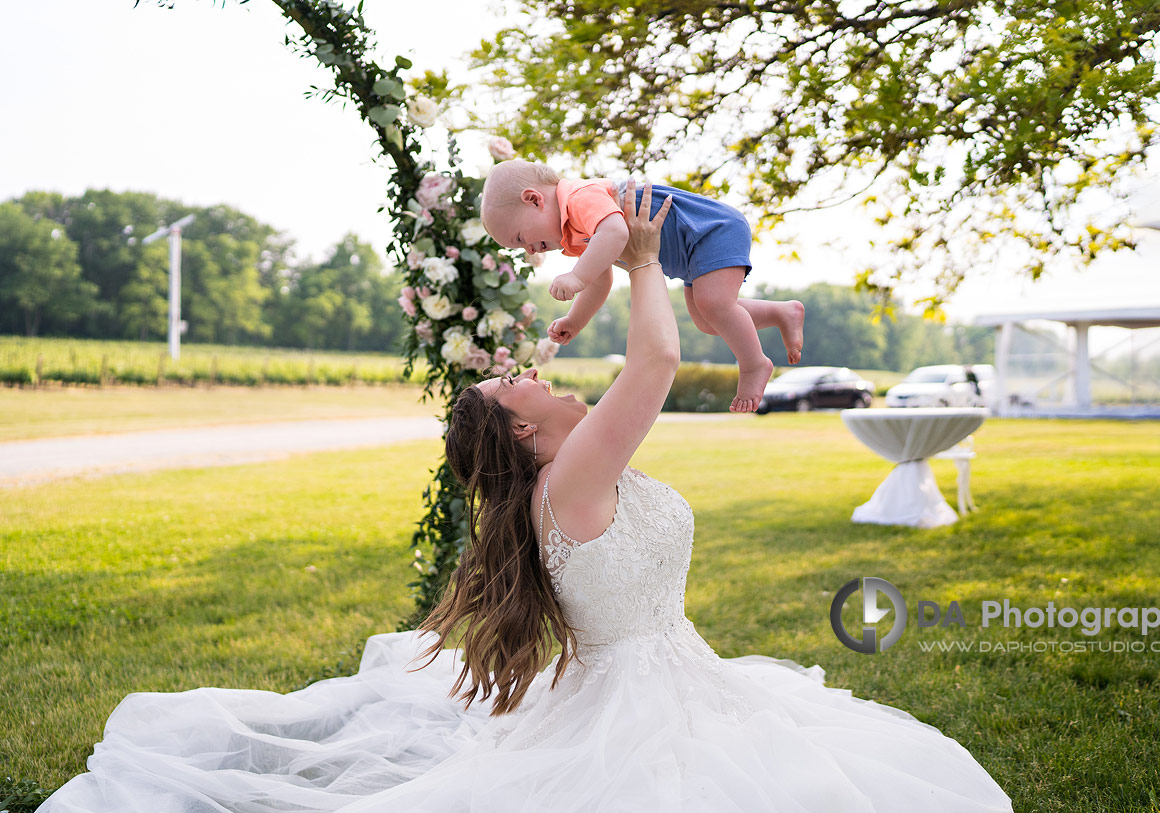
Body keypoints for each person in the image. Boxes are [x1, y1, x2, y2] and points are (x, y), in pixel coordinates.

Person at [40, 183, 1012, 812]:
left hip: (673, 674)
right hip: (643, 703)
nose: (541, 379)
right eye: (524, 386)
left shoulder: (566, 471)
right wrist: (636, 262)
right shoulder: (575, 471)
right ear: (520, 430)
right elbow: (660, 357)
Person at [479, 159, 807, 413]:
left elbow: (616, 234)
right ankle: (782, 313)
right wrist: (575, 320)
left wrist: (576, 276)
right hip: (692, 252)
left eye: (521, 239)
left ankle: (754, 364)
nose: (531, 251)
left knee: (713, 305)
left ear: (534, 199)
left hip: (709, 230)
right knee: (707, 320)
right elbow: (601, 278)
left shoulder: (580, 197)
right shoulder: (575, 233)